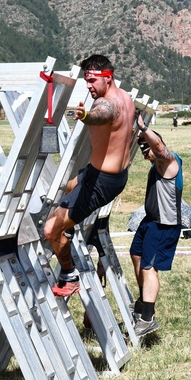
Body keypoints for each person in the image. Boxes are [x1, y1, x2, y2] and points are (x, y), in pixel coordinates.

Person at [45, 55, 136, 298]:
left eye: (93, 80)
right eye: (86, 80)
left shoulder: (108, 104)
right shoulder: (126, 98)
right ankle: (70, 228)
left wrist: (86, 117)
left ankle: (68, 274)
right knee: (69, 186)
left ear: (108, 78)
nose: (88, 86)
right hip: (102, 174)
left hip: (101, 183)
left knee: (50, 230)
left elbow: (102, 115)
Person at [129, 124, 184, 338]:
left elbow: (159, 147)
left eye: (147, 145)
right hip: (150, 222)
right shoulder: (156, 165)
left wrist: (142, 127)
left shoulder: (168, 160)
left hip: (163, 225)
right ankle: (144, 301)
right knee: (137, 256)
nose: (145, 150)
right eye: (141, 147)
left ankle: (147, 318)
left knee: (148, 267)